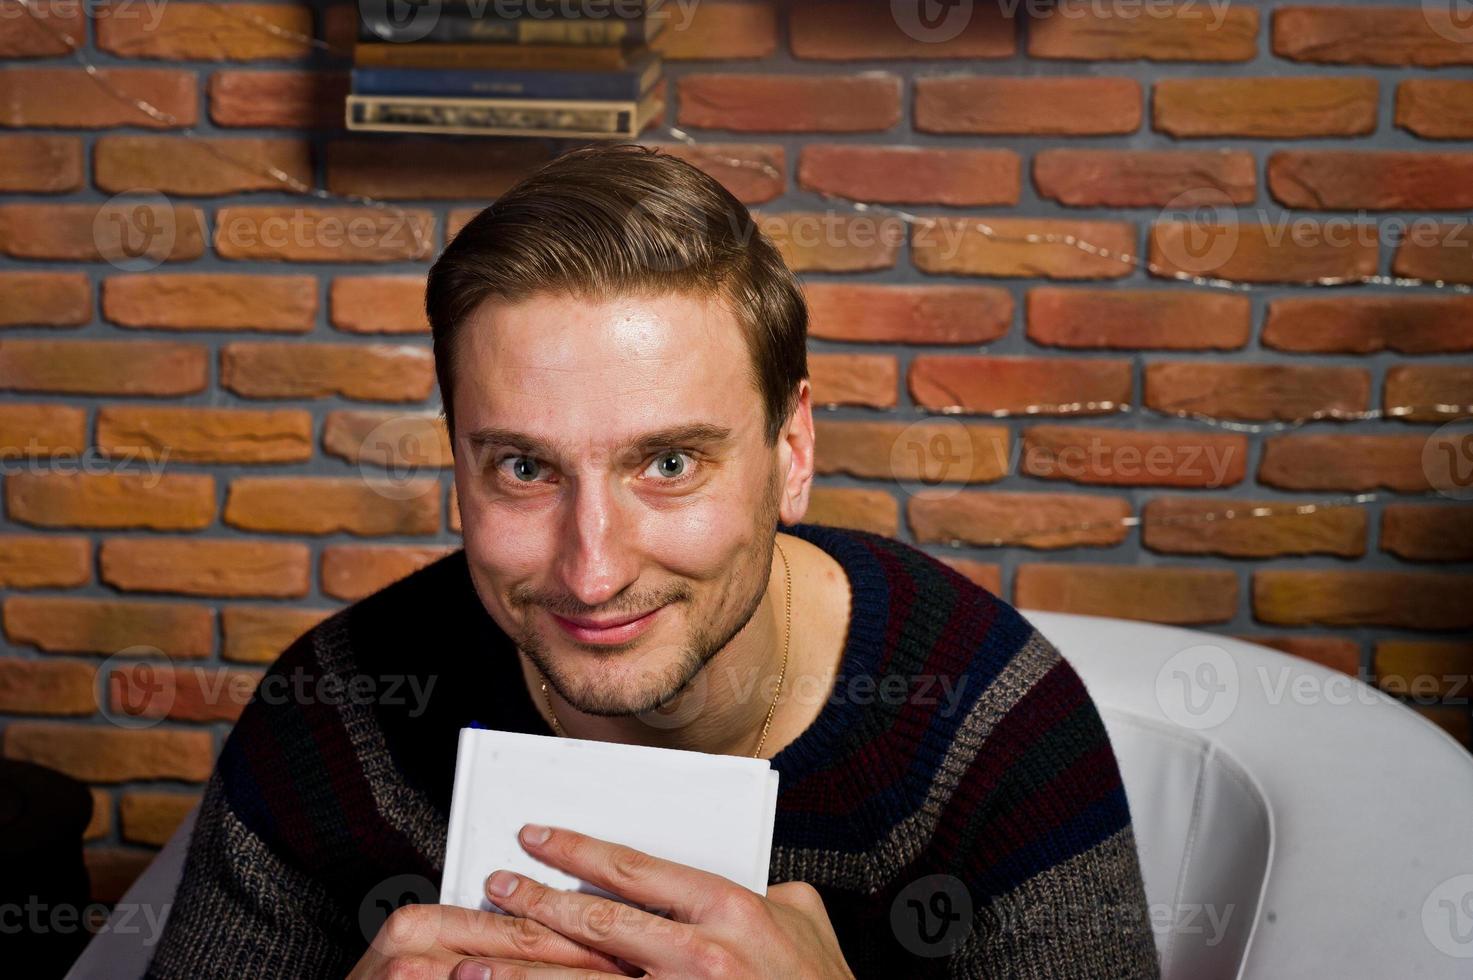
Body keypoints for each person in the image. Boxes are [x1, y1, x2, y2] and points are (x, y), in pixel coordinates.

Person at [144, 143, 1160, 979]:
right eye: (523, 467)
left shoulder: (992, 725)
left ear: (790, 453)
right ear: (456, 460)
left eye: (669, 463)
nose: (592, 571)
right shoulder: (336, 711)